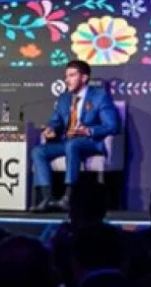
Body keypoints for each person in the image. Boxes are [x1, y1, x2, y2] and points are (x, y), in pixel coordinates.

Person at [30, 60, 119, 212]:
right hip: (67, 141)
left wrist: (88, 131)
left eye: (72, 75)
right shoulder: (64, 98)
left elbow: (111, 126)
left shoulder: (100, 97)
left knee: (73, 145)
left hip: (90, 142)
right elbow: (55, 121)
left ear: (84, 78)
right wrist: (51, 129)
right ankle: (46, 198)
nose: (67, 80)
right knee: (38, 151)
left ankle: (68, 197)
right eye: (66, 76)